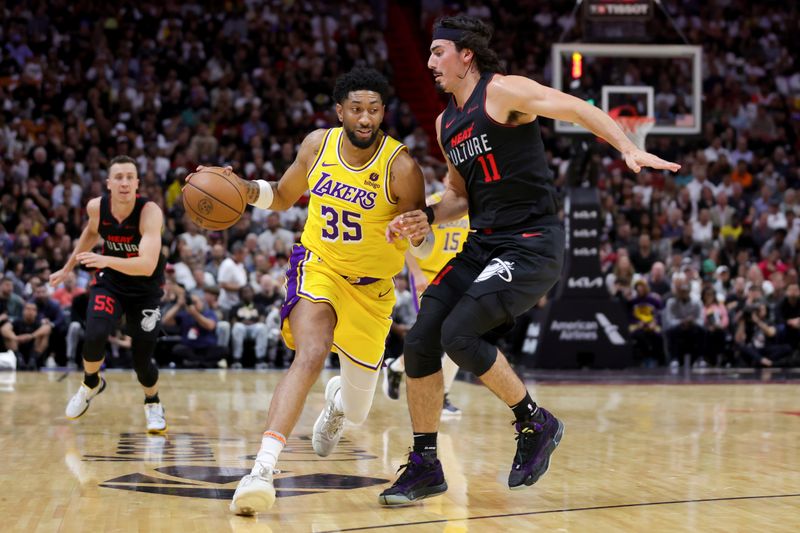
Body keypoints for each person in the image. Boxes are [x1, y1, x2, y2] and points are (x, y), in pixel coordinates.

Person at [379, 15, 680, 506]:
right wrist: (427, 215)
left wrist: (628, 146)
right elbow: (458, 194)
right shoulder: (445, 123)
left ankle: (534, 421)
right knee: (420, 339)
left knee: (459, 335)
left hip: (532, 242)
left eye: (438, 52)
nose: (430, 61)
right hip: (484, 242)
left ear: (465, 55)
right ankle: (425, 464)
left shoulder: (503, 93)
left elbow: (577, 108)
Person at [213, 67, 429, 515]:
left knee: (359, 410)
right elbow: (282, 194)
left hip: (372, 292)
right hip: (320, 267)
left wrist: (412, 230)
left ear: (382, 112)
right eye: (356, 110)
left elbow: (422, 235)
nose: (365, 118)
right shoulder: (317, 145)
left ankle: (336, 404)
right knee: (310, 351)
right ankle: (261, 470)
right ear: (339, 111)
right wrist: (244, 188)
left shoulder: (401, 167)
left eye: (373, 110)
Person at [49, 155, 168, 433]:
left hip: (145, 290)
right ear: (109, 183)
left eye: (130, 177)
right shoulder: (96, 208)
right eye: (119, 177)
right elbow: (91, 233)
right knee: (94, 334)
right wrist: (68, 267)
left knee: (141, 361)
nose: (125, 182)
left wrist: (105, 260)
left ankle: (153, 402)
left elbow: (146, 264)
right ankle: (91, 383)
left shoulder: (150, 212)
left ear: (137, 183)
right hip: (111, 283)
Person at [383, 185, 470, 417]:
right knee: (437, 337)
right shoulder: (433, 203)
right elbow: (408, 242)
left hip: (457, 276)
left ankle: (434, 391)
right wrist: (416, 273)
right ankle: (400, 368)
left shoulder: (472, 208)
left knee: (461, 336)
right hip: (428, 276)